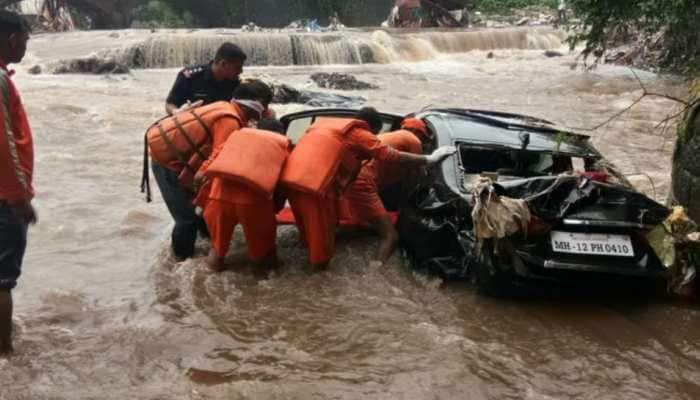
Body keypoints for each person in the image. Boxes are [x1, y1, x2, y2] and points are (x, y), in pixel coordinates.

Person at [280, 107, 456, 270]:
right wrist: (430, 160)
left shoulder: (367, 135)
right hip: (353, 185)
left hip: (306, 182)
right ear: (419, 133)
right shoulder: (410, 139)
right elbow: (412, 178)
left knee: (319, 232)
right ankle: (375, 270)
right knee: (390, 236)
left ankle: (304, 258)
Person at [149, 82, 268, 261]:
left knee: (201, 211)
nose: (266, 111)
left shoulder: (225, 107)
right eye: (265, 105)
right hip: (167, 164)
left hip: (175, 160)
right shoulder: (229, 120)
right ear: (255, 104)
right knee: (186, 219)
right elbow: (218, 158)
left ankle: (204, 246)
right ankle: (179, 264)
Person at [201, 118, 290, 272]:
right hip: (254, 204)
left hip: (218, 199)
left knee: (217, 249)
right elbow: (284, 183)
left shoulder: (235, 137)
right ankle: (258, 289)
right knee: (262, 255)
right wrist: (276, 207)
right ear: (279, 133)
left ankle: (210, 275)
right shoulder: (282, 146)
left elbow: (205, 169)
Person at [342, 118, 431, 264]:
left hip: (351, 178)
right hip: (363, 183)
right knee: (391, 236)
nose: (422, 141)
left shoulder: (390, 136)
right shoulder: (413, 140)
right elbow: (417, 177)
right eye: (423, 137)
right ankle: (376, 272)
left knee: (364, 225)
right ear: (416, 132)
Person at [0, 10, 34, 355]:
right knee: (3, 279)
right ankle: (5, 354)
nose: (26, 46)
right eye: (25, 39)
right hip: (4, 197)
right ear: (12, 39)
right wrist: (18, 197)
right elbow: (4, 144)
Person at [165, 42, 247, 116]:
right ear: (223, 64)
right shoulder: (190, 77)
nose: (241, 71)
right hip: (190, 126)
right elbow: (170, 103)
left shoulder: (235, 84)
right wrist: (176, 112)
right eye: (237, 67)